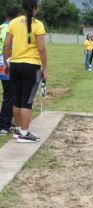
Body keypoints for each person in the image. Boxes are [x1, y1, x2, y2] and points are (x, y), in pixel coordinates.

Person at [3, 0, 47, 143]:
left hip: (15, 64)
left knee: (17, 99)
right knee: (27, 101)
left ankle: (19, 130)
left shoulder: (13, 22)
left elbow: (6, 46)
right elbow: (41, 49)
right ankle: (23, 133)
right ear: (35, 8)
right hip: (31, 66)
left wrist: (6, 63)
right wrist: (44, 68)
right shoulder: (38, 24)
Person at [0, 6, 19, 135]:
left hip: (1, 62)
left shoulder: (1, 26)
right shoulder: (11, 28)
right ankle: (4, 125)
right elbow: (8, 47)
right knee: (10, 95)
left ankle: (6, 122)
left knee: (9, 94)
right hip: (6, 64)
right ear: (16, 16)